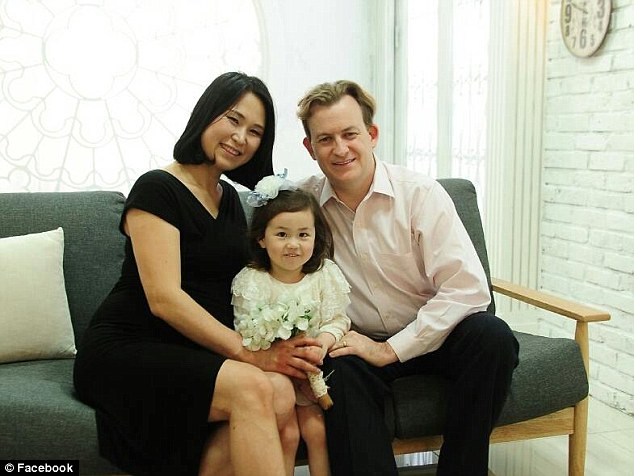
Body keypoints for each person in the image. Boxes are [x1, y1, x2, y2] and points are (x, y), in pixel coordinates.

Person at [73, 72, 325, 476]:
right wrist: (250, 355)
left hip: (190, 351)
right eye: (233, 119)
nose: (241, 137)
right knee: (253, 386)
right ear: (207, 114)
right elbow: (165, 299)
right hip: (129, 345)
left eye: (255, 131)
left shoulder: (231, 201)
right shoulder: (157, 188)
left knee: (279, 390)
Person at [295, 80, 520, 476]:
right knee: (337, 369)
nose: (340, 149)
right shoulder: (303, 204)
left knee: (493, 337)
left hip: (436, 334)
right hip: (360, 340)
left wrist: (391, 350)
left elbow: (468, 288)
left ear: (372, 135)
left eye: (350, 134)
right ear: (309, 148)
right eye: (325, 139)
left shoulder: (419, 194)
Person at [232, 176, 352, 476]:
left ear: (315, 236)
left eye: (303, 234)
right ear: (261, 238)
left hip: (314, 371)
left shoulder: (323, 274)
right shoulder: (252, 281)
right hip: (273, 377)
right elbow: (245, 333)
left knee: (317, 432)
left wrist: (323, 342)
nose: (293, 245)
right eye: (282, 234)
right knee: (287, 436)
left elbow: (338, 320)